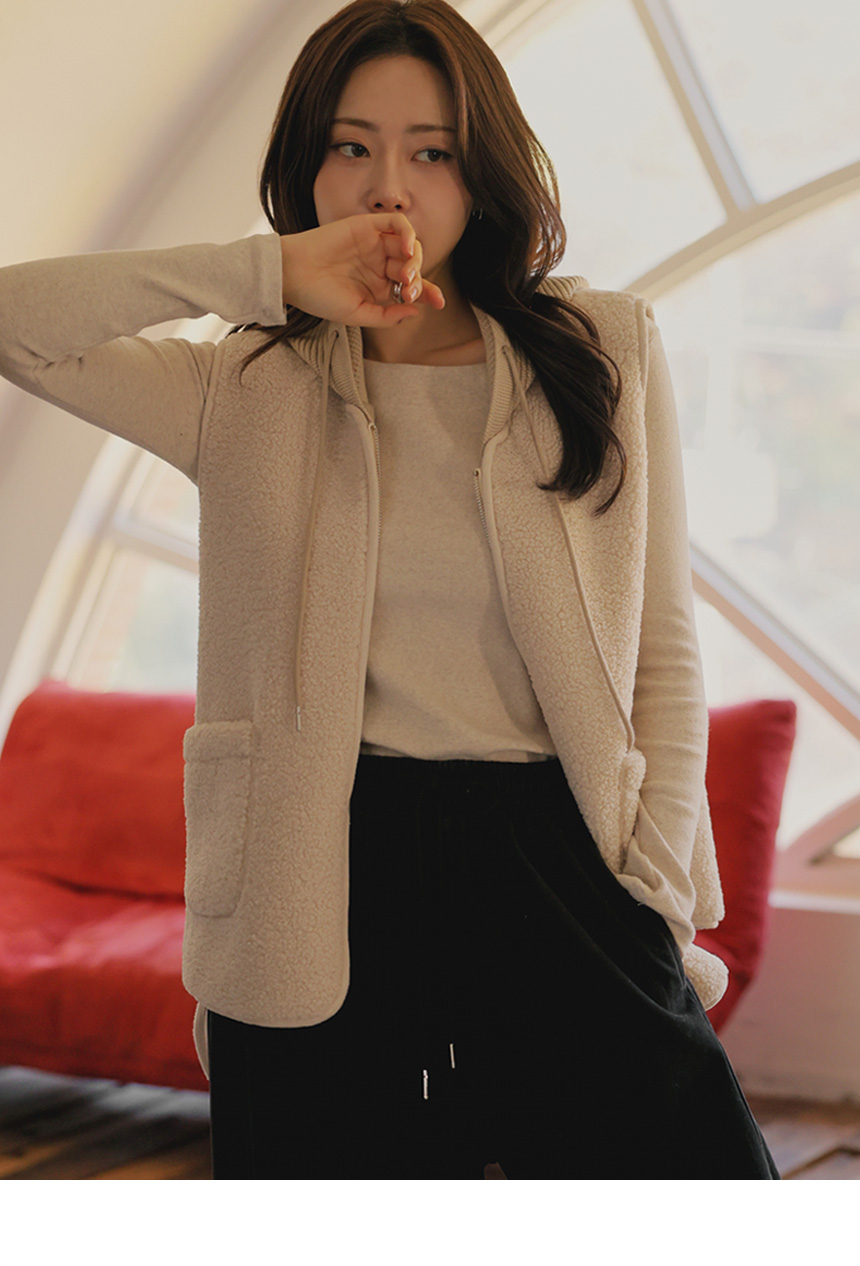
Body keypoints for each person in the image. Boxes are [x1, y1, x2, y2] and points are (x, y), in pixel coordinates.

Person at [0, 0, 778, 1179]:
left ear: (482, 171)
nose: (387, 190)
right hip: (316, 862)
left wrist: (654, 889)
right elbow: (17, 326)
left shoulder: (600, 351)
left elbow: (660, 646)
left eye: (431, 152)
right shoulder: (239, 386)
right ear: (306, 166)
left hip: (557, 850)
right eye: (350, 147)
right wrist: (268, 273)